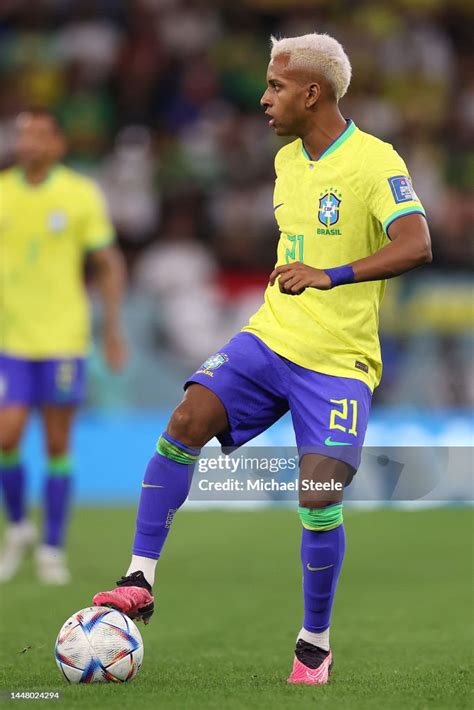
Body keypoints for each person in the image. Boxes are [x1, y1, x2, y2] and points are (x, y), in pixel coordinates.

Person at [93, 32, 431, 684]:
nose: (263, 98)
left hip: (337, 362)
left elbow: (416, 243)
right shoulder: (285, 163)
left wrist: (329, 275)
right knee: (188, 417)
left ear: (312, 92)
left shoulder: (374, 160)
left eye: (276, 86)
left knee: (319, 494)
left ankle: (314, 643)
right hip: (269, 339)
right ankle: (139, 578)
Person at [0, 108, 126, 585]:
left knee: (57, 443)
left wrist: (112, 328)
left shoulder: (78, 194)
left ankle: (52, 546)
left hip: (62, 339)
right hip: (10, 338)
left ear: (57, 145)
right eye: (22, 134)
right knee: (7, 435)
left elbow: (107, 263)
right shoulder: (3, 191)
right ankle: (17, 528)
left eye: (38, 135)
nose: (28, 142)